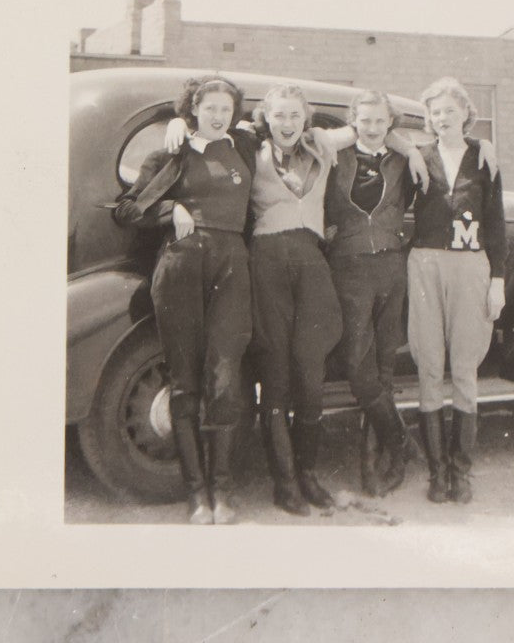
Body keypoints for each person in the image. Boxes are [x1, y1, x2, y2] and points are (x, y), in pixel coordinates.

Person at [165, 83, 428, 516]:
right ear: (266, 118)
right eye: (279, 115)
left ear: (306, 118)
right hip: (267, 264)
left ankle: (308, 474)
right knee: (276, 374)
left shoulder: (321, 143)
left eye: (295, 115)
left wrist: (412, 150)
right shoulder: (249, 145)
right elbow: (207, 134)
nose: (287, 123)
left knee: (310, 373)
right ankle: (284, 482)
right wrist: (179, 121)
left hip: (311, 264)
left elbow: (371, 129)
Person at [112, 76, 256, 525]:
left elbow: (301, 128)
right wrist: (167, 209)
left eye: (225, 109)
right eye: (209, 107)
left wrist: (405, 145)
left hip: (231, 267)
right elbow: (127, 209)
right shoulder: (170, 155)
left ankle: (223, 491)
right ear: (193, 108)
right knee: (184, 379)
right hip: (181, 267)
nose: (218, 116)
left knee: (225, 378)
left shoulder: (244, 146)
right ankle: (197, 494)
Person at [408, 77, 506, 505]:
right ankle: (437, 473)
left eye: (450, 110)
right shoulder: (418, 156)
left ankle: (460, 472)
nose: (442, 117)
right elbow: (378, 133)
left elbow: (496, 223)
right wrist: (405, 147)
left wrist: (498, 280)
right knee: (429, 366)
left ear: (466, 112)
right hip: (425, 265)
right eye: (435, 112)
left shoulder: (483, 159)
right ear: (427, 119)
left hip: (471, 267)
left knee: (464, 368)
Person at [323, 90, 418, 496]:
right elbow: (309, 139)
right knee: (357, 363)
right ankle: (400, 440)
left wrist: (408, 149)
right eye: (365, 120)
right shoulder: (335, 156)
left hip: (391, 267)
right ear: (353, 121)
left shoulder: (403, 161)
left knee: (383, 366)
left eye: (381, 121)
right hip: (349, 267)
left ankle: (374, 462)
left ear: (390, 123)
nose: (373, 128)